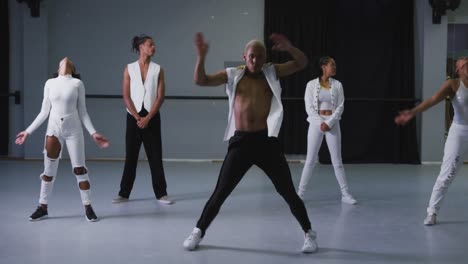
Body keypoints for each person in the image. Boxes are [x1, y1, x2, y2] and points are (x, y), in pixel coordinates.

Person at [182, 32, 318, 253]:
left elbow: (302, 63)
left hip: (266, 141)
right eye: (252, 56)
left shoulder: (272, 71)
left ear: (266, 58)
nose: (256, 61)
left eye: (260, 57)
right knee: (221, 192)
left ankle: (309, 234)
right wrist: (201, 56)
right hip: (241, 142)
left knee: (287, 191)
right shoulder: (233, 75)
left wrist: (290, 47)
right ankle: (198, 231)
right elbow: (201, 80)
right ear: (244, 57)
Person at [15, 57, 109, 222]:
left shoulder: (77, 84)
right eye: (62, 61)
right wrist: (28, 132)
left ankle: (88, 207)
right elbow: (44, 111)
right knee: (48, 172)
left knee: (80, 169)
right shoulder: (50, 83)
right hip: (53, 130)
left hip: (74, 131)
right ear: (58, 69)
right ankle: (42, 207)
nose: (66, 59)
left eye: (69, 61)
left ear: (72, 69)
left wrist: (93, 133)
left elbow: (83, 111)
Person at [395, 56, 468, 225]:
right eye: (464, 64)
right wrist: (412, 112)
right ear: (457, 70)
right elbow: (432, 100)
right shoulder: (453, 85)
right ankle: (432, 212)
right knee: (446, 175)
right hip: (459, 133)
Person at [112, 34, 173, 205]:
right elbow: (126, 96)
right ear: (141, 47)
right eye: (150, 45)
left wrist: (148, 118)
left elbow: (160, 97)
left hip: (152, 117)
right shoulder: (129, 68)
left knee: (155, 156)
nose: (154, 47)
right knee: (130, 156)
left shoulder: (158, 69)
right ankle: (124, 193)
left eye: (154, 45)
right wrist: (138, 117)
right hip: (133, 117)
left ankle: (162, 194)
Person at [297, 56, 357, 205]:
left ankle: (345, 194)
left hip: (333, 124)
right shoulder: (311, 85)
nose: (335, 67)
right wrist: (320, 123)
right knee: (310, 161)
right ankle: (299, 194)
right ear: (323, 66)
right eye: (332, 65)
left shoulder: (338, 85)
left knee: (337, 161)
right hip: (316, 124)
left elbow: (340, 106)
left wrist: (329, 122)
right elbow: (309, 107)